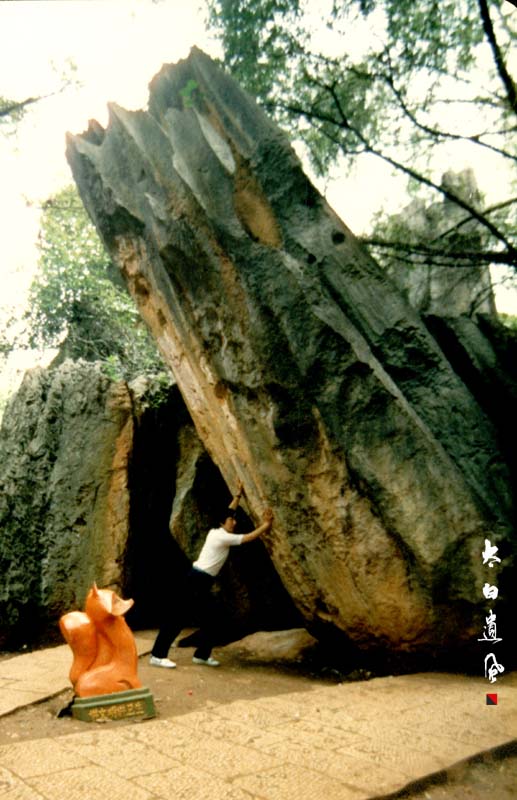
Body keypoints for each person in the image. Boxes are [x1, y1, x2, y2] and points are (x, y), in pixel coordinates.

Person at [149, 481, 274, 668]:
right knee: (178, 617)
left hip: (202, 580)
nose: (234, 522)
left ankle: (201, 655)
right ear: (223, 523)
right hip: (196, 580)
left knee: (214, 619)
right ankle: (157, 655)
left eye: (233, 519)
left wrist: (237, 497)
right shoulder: (222, 537)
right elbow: (248, 537)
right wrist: (266, 524)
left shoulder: (217, 531)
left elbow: (229, 511)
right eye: (231, 521)